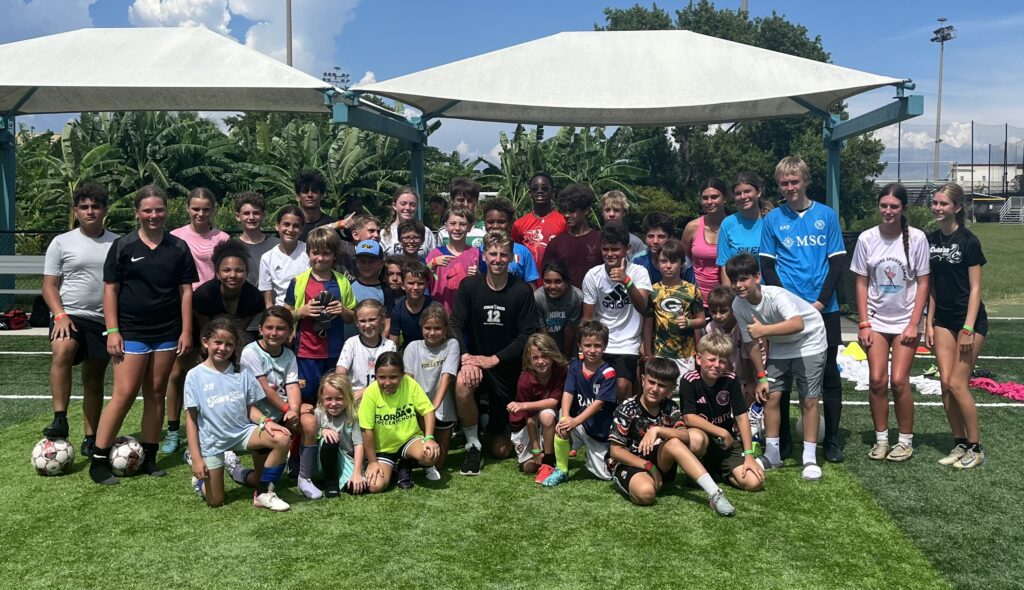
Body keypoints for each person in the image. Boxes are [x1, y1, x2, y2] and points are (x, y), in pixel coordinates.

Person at [90, 185, 198, 485]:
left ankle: (150, 457)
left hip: (166, 331)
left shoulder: (178, 247)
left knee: (155, 393)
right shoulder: (124, 245)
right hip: (131, 331)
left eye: (159, 210)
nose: (154, 215)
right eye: (147, 210)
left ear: (166, 211)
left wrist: (186, 330)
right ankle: (98, 458)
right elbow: (110, 289)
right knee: (123, 395)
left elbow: (185, 291)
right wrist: (113, 330)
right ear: (138, 212)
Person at [759, 156, 846, 463]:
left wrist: (821, 301)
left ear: (805, 181)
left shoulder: (826, 215)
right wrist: (788, 305)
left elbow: (837, 262)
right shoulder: (772, 219)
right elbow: (767, 266)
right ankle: (782, 442)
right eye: (784, 183)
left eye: (795, 181)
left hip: (825, 308)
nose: (790, 187)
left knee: (829, 376)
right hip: (786, 312)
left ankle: (832, 439)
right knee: (782, 377)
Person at [726, 253, 827, 481]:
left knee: (808, 398)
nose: (739, 285)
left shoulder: (777, 295)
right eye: (734, 281)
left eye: (744, 279)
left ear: (757, 277)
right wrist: (761, 376)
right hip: (781, 344)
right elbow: (750, 343)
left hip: (809, 339)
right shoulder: (737, 305)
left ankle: (809, 458)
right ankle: (773, 455)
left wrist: (764, 331)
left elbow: (798, 324)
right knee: (770, 396)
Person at [851, 183, 931, 462]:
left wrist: (914, 323)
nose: (888, 211)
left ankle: (905, 441)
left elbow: (923, 283)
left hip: (905, 322)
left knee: (898, 381)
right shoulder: (866, 239)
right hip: (875, 320)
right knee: (876, 380)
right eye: (884, 205)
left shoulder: (918, 238)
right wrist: (863, 323)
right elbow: (860, 282)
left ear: (903, 209)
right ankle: (882, 439)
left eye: (894, 207)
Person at [163, 239, 265, 453]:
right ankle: (173, 430)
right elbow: (205, 332)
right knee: (177, 373)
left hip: (229, 338)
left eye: (239, 270)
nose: (233, 275)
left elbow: (238, 333)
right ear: (217, 272)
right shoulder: (204, 294)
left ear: (246, 272)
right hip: (199, 335)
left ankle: (228, 428)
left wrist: (229, 357)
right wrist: (204, 359)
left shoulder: (254, 297)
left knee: (229, 376)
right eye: (226, 270)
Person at [41, 181, 118, 458]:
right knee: (63, 349)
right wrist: (59, 315)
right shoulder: (61, 242)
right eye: (84, 207)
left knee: (94, 378)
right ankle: (60, 418)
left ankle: (90, 437)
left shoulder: (117, 243)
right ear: (75, 211)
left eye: (95, 207)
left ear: (104, 210)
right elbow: (49, 285)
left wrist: (115, 326)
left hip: (102, 320)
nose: (89, 212)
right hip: (69, 314)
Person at [452, 230, 539, 475]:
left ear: (511, 257)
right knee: (461, 383)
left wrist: (494, 359)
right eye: (493, 253)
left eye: (503, 254)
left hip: (507, 370)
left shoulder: (521, 290)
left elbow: (526, 336)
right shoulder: (469, 286)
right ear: (484, 255)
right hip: (476, 365)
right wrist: (466, 358)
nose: (498, 259)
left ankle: (487, 426)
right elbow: (455, 324)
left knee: (501, 450)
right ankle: (472, 444)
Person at [183, 317, 292, 510]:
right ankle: (200, 482)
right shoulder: (194, 376)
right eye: (218, 342)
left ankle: (264, 493)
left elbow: (250, 409)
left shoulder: (241, 372)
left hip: (242, 433)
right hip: (213, 441)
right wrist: (197, 457)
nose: (222, 348)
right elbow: (191, 419)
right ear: (205, 342)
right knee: (216, 501)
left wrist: (266, 422)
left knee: (281, 438)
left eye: (229, 344)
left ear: (234, 348)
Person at [608, 357, 737, 515]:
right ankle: (634, 481)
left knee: (678, 441)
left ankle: (715, 494)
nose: (655, 389)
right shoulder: (626, 409)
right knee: (646, 494)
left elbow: (684, 436)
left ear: (671, 389)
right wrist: (649, 467)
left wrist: (657, 430)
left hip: (660, 460)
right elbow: (616, 452)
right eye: (652, 382)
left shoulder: (670, 407)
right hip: (630, 463)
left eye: (662, 386)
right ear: (643, 380)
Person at [926, 182, 988, 469]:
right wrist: (928, 323)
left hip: (968, 322)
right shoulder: (930, 240)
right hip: (942, 321)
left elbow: (975, 289)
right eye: (935, 203)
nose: (938, 208)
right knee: (944, 385)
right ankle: (959, 443)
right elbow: (932, 288)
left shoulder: (969, 241)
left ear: (957, 208)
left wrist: (968, 328)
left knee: (957, 384)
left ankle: (976, 448)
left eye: (944, 204)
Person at [680, 334, 765, 493]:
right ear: (699, 359)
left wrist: (748, 455)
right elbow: (689, 418)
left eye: (722, 361)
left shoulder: (730, 379)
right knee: (696, 439)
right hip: (704, 440)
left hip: (726, 443)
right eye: (711, 359)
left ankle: (718, 471)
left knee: (754, 483)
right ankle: (698, 469)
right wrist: (722, 431)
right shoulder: (689, 380)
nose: (716, 365)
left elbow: (741, 416)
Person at [284, 226, 357, 405]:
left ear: (334, 256)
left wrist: (341, 310)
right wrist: (301, 312)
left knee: (333, 398)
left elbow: (351, 317)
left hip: (335, 351)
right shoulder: (299, 281)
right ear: (308, 253)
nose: (321, 258)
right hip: (307, 351)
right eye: (315, 253)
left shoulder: (342, 281)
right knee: (308, 397)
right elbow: (284, 316)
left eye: (326, 253)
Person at [542, 320, 617, 487]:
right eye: (587, 345)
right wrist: (567, 418)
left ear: (605, 346)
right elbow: (568, 392)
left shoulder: (608, 372)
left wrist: (574, 421)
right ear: (579, 345)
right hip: (578, 423)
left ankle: (603, 454)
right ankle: (561, 470)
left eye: (597, 345)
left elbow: (598, 403)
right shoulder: (575, 367)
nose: (592, 350)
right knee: (562, 421)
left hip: (599, 431)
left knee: (606, 475)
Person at [582, 224, 652, 400]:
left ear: (627, 249)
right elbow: (588, 319)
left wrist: (626, 281)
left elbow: (643, 307)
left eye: (615, 249)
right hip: (602, 340)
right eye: (605, 249)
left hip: (628, 343)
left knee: (623, 386)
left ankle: (624, 424)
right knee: (598, 386)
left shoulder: (638, 272)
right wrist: (583, 347)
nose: (610, 254)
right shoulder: (593, 275)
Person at [358, 352, 441, 491]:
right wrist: (372, 462)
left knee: (430, 454)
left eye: (394, 377)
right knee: (375, 486)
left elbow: (428, 411)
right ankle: (397, 468)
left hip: (409, 440)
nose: (387, 382)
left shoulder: (410, 383)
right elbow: (366, 430)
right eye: (382, 377)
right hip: (383, 448)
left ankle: (408, 463)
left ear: (402, 375)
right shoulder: (370, 393)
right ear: (375, 376)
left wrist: (429, 438)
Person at [404, 303, 460, 472]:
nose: (432, 333)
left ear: (445, 329)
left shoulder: (452, 344)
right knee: (425, 456)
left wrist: (435, 404)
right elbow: (409, 381)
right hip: (418, 408)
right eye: (428, 328)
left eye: (437, 328)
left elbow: (447, 375)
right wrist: (423, 407)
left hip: (442, 407)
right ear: (421, 327)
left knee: (438, 464)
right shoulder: (413, 347)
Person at [509, 333, 567, 482]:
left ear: (553, 355)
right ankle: (541, 453)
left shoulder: (560, 371)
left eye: (545, 356)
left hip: (546, 418)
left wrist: (523, 405)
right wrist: (535, 449)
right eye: (535, 358)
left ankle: (548, 461)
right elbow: (528, 418)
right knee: (529, 467)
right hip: (526, 424)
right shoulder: (525, 379)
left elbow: (553, 402)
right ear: (529, 359)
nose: (540, 361)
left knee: (547, 415)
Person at [644, 239, 704, 377]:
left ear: (682, 263)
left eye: (673, 261)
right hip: (660, 353)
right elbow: (648, 324)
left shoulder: (692, 290)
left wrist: (689, 322)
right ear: (657, 264)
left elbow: (701, 321)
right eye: (664, 261)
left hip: (687, 354)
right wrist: (648, 354)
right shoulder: (652, 291)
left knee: (685, 392)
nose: (668, 266)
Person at [240, 306, 301, 433]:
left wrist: (294, 410)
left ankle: (296, 451)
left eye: (280, 329)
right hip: (257, 413)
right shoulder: (251, 351)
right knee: (277, 442)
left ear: (290, 331)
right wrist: (287, 410)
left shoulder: (289, 355)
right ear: (260, 329)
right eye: (269, 328)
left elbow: (292, 386)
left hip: (282, 410)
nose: (274, 333)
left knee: (309, 421)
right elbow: (264, 388)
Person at [705, 285, 766, 404]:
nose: (718, 316)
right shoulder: (711, 328)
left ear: (733, 309)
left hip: (753, 370)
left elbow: (746, 355)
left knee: (752, 399)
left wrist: (749, 382)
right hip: (730, 371)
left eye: (723, 311)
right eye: (713, 312)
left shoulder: (743, 325)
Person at [313, 372, 366, 497]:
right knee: (330, 440)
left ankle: (341, 478)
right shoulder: (319, 413)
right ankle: (330, 483)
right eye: (328, 399)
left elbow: (359, 444)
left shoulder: (352, 416)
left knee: (357, 488)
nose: (333, 403)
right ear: (321, 397)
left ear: (347, 397)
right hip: (322, 462)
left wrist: (357, 472)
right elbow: (310, 439)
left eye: (339, 399)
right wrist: (322, 431)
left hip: (345, 460)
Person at [717, 172, 772, 287]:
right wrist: (730, 299)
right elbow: (724, 266)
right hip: (739, 292)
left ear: (759, 192)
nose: (743, 197)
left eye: (747, 191)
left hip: (769, 292)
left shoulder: (771, 221)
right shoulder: (728, 224)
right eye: (738, 193)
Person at [543, 184, 602, 289]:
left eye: (572, 211)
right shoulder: (555, 244)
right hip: (566, 302)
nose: (566, 215)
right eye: (564, 211)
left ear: (586, 210)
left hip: (597, 301)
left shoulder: (601, 240)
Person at [336, 299, 398, 396]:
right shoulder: (351, 343)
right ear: (357, 323)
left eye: (372, 319)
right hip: (354, 395)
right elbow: (340, 374)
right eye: (362, 321)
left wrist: (364, 392)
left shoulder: (390, 346)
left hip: (380, 395)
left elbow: (389, 378)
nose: (367, 325)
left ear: (382, 319)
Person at [427, 206, 482, 313]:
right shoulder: (435, 254)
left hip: (468, 315)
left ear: (470, 227)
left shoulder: (477, 254)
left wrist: (478, 275)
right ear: (446, 226)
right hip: (440, 315)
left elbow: (486, 284)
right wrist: (432, 264)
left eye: (462, 224)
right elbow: (422, 278)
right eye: (452, 223)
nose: (457, 228)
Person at [682, 178, 727, 304]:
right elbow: (683, 262)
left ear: (725, 198)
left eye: (714, 197)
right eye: (705, 198)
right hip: (695, 298)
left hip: (725, 300)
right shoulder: (692, 227)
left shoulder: (734, 227)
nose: (709, 202)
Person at [512, 172, 566, 276]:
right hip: (527, 282)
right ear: (530, 194)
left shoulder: (563, 221)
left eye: (544, 188)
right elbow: (516, 253)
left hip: (556, 283)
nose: (539, 191)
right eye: (535, 189)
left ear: (552, 192)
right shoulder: (519, 224)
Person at [480, 197, 539, 285]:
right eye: (490, 222)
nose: (495, 226)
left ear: (511, 223)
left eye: (501, 222)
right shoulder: (478, 251)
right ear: (484, 223)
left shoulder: (523, 252)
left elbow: (532, 286)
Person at [259, 205, 308, 307]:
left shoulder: (309, 251)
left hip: (308, 309)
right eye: (286, 224)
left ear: (302, 229)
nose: (290, 229)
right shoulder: (267, 258)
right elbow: (266, 292)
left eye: (296, 226)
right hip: (281, 312)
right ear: (277, 226)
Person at [534, 260, 583, 357]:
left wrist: (565, 357)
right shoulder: (537, 297)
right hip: (545, 346)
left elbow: (570, 329)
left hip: (568, 345)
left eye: (558, 281)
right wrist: (552, 355)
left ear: (566, 282)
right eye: (547, 282)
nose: (552, 286)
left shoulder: (576, 296)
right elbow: (542, 330)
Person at [348, 239, 394, 339]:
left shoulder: (386, 291)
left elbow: (387, 323)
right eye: (362, 261)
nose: (366, 265)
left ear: (381, 264)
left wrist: (380, 344)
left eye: (371, 261)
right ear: (356, 263)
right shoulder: (348, 286)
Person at [234, 191, 279, 288]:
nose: (251, 217)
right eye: (246, 213)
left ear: (263, 215)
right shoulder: (232, 247)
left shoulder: (277, 245)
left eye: (256, 213)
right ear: (238, 216)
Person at [380, 186, 437, 257]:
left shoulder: (426, 231)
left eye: (412, 205)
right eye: (403, 204)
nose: (408, 208)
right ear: (394, 206)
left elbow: (433, 259)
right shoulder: (384, 234)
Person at [389, 260, 432, 347]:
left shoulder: (434, 307)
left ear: (427, 285)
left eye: (420, 283)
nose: (416, 287)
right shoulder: (397, 310)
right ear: (402, 285)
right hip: (408, 354)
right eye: (411, 283)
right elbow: (394, 342)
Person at [439, 177, 487, 248]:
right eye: (460, 200)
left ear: (476, 202)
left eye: (470, 201)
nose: (465, 204)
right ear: (452, 201)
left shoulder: (485, 229)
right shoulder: (443, 231)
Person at [599, 190, 646, 258]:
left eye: (616, 210)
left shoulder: (635, 242)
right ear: (602, 213)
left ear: (624, 212)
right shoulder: (594, 240)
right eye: (607, 210)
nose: (611, 214)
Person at [631, 212, 675, 284]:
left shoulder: (683, 262)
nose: (655, 241)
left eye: (661, 236)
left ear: (670, 237)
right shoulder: (638, 261)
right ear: (645, 237)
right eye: (650, 236)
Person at [295, 170, 337, 241]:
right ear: (297, 197)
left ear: (322, 196)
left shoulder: (333, 225)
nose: (310, 195)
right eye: (305, 191)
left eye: (314, 191)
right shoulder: (292, 227)